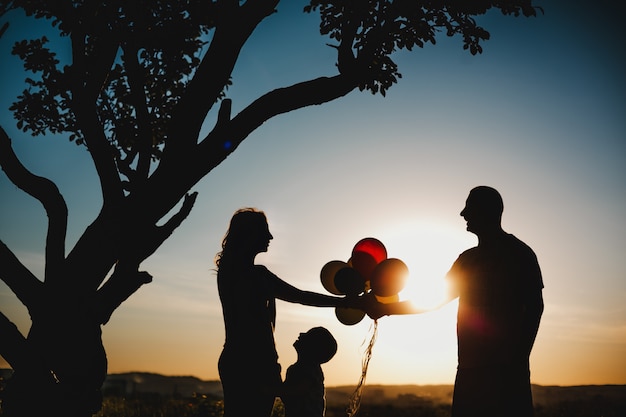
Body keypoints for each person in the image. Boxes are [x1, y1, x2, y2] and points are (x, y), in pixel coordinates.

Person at [369, 186, 544, 417]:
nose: (463, 214)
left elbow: (535, 307)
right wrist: (386, 309)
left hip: (505, 374)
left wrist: (518, 359)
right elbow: (434, 300)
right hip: (471, 371)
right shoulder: (467, 260)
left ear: (488, 211)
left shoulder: (520, 254)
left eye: (469, 207)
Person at [215, 208, 363, 417]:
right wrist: (347, 303)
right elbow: (301, 296)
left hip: (242, 360)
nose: (270, 236)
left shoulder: (229, 273)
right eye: (264, 230)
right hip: (254, 363)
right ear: (250, 234)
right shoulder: (256, 276)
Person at [281, 326, 338, 417]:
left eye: (308, 335)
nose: (301, 334)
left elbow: (297, 390)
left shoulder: (310, 370)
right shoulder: (298, 369)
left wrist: (269, 390)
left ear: (313, 348)